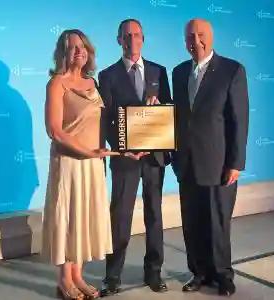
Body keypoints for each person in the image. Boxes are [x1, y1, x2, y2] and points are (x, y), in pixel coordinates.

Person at [171, 19, 249, 297]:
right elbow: (176, 117)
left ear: (211, 37)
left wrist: (236, 163)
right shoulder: (179, 72)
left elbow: (239, 120)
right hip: (186, 162)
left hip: (219, 164)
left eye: (201, 35)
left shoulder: (232, 70)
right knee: (192, 222)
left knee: (217, 223)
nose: (196, 41)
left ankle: (223, 276)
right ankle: (199, 272)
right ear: (185, 41)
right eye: (190, 37)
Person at [41, 29, 118, 300]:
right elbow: (55, 130)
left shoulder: (92, 83)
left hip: (92, 164)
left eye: (82, 46)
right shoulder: (56, 84)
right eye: (72, 47)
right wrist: (86, 151)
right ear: (63, 53)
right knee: (68, 220)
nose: (79, 51)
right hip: (69, 164)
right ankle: (65, 280)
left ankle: (78, 277)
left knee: (84, 220)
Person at [97, 19, 172, 295]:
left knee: (154, 215)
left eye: (136, 35)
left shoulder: (158, 72)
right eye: (126, 36)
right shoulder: (107, 76)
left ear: (143, 38)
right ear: (119, 40)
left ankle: (154, 272)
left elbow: (168, 114)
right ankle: (112, 276)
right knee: (120, 217)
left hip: (154, 158)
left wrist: (160, 107)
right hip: (124, 158)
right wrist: (120, 148)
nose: (132, 40)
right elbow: (104, 122)